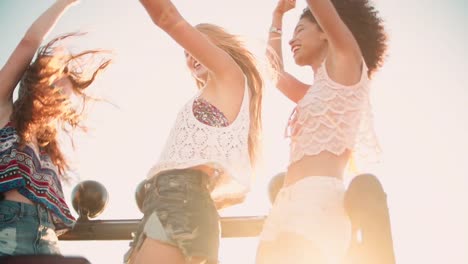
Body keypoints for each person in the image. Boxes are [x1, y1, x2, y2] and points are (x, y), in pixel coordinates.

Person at [125, 0, 264, 263]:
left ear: (219, 47)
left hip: (181, 201)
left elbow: (168, 17)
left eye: (193, 47)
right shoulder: (207, 96)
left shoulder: (230, 76)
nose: (190, 56)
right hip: (166, 201)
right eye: (186, 54)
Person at [256, 0, 388, 263]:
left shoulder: (347, 62)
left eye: (300, 30)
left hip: (317, 201)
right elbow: (273, 72)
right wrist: (277, 15)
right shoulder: (310, 93)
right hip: (284, 203)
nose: (292, 40)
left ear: (326, 31)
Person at [0, 0, 111, 256]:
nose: (60, 100)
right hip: (8, 228)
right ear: (36, 86)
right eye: (55, 89)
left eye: (65, 98)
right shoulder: (6, 112)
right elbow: (29, 42)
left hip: (47, 235)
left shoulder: (47, 147)